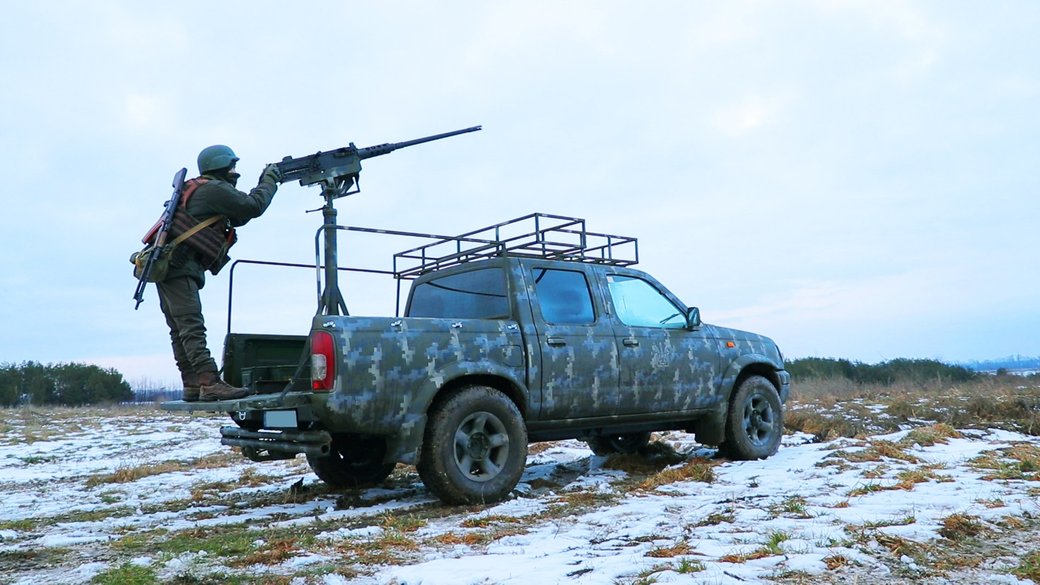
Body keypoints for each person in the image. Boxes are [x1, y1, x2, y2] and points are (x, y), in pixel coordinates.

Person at [158, 145, 281, 401]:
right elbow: (252, 206)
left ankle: (193, 384)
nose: (235, 172)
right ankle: (210, 383)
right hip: (179, 267)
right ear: (221, 166)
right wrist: (270, 180)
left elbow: (239, 216)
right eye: (232, 166)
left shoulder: (200, 189)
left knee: (180, 329)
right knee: (191, 328)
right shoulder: (212, 189)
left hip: (170, 268)